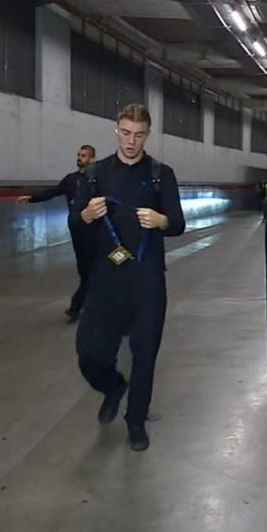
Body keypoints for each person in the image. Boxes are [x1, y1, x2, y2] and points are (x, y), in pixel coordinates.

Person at [71, 103, 185, 451]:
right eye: (125, 132)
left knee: (144, 354)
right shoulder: (94, 174)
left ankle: (136, 421)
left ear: (147, 134)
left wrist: (161, 220)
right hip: (106, 280)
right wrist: (86, 215)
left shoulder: (160, 175)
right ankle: (112, 386)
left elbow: (178, 224)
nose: (131, 141)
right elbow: (75, 222)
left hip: (147, 280)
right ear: (115, 130)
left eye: (138, 134)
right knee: (90, 353)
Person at [18, 145, 98, 321]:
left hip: (96, 230)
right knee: (86, 271)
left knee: (95, 270)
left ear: (92, 159)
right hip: (78, 229)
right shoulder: (71, 179)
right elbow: (53, 191)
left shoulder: (99, 179)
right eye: (78, 155)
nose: (79, 158)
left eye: (84, 156)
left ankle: (79, 306)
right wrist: (32, 198)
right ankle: (84, 305)